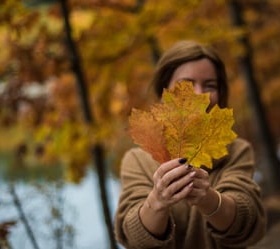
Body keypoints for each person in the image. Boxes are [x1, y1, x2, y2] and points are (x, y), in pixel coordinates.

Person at [114, 40, 267, 249]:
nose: (199, 94)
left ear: (221, 94)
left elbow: (247, 222)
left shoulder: (236, 150)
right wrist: (157, 201)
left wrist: (208, 199)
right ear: (163, 92)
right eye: (186, 84)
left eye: (210, 85)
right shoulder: (138, 160)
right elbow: (131, 236)